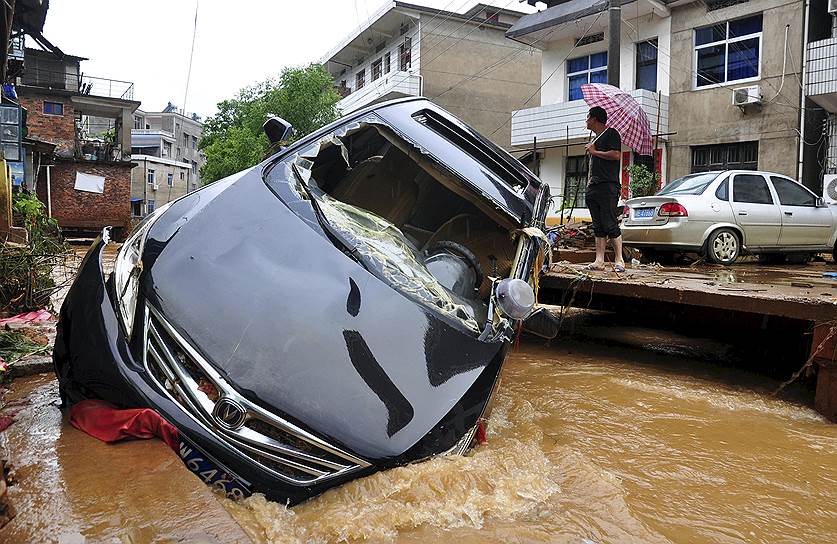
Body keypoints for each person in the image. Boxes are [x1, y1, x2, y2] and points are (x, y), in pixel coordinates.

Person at [584, 106, 626, 272]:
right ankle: (599, 260)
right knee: (598, 225)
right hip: (593, 186)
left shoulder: (611, 133)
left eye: (588, 117)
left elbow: (616, 155)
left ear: (594, 119)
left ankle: (619, 260)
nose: (586, 121)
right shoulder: (595, 139)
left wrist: (595, 152)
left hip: (608, 185)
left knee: (609, 222)